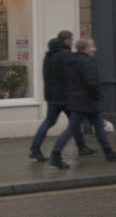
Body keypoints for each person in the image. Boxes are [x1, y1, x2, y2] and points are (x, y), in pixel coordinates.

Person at [49, 38, 116, 169]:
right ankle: (55, 155)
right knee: (72, 128)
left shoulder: (70, 62)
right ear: (86, 48)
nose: (95, 49)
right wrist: (96, 96)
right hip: (87, 101)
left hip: (76, 99)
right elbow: (91, 83)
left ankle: (109, 152)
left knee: (99, 126)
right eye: (92, 46)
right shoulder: (87, 62)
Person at [29, 30, 92, 162]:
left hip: (52, 95)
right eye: (71, 39)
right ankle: (81, 147)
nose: (72, 42)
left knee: (49, 121)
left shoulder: (49, 55)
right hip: (65, 96)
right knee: (74, 122)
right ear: (67, 40)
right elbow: (72, 75)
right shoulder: (66, 55)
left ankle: (35, 148)